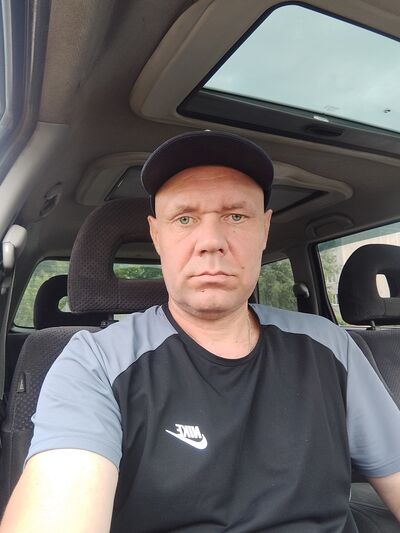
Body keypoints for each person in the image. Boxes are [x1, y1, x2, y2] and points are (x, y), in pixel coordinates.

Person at [1, 131, 400, 532]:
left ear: (264, 230)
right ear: (157, 235)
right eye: (185, 218)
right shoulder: (95, 364)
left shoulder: (330, 344)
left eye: (236, 216)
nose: (211, 241)